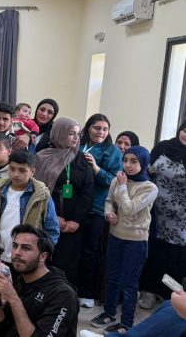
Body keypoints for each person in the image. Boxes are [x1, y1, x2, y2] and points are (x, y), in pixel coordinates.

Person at [89, 146, 158, 333]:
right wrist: (108, 213)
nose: (127, 165)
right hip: (116, 237)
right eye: (125, 160)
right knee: (112, 278)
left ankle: (126, 323)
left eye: (134, 161)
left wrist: (121, 186)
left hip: (136, 242)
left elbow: (129, 208)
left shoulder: (149, 187)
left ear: (143, 163)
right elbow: (109, 201)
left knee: (129, 284)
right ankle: (109, 313)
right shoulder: (118, 180)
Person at [32, 117, 94, 290]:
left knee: (67, 263)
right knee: (44, 259)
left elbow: (87, 193)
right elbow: (35, 190)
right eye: (71, 133)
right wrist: (52, 217)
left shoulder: (82, 160)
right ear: (59, 133)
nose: (76, 138)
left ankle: (64, 298)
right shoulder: (41, 157)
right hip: (45, 220)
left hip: (72, 226)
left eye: (78, 134)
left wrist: (76, 221)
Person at [0, 225, 78, 337]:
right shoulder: (21, 281)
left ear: (43, 256)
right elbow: (0, 331)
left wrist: (14, 299)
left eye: (26, 248)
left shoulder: (62, 295)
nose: (17, 252)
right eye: (15, 246)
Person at [0, 150, 60, 264]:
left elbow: (52, 231)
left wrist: (38, 254)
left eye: (22, 170)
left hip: (26, 261)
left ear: (32, 172)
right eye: (12, 169)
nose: (16, 174)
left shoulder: (42, 195)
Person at [138, 120, 186, 309]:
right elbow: (146, 172)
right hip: (155, 211)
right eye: (185, 130)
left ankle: (169, 295)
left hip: (181, 218)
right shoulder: (163, 147)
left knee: (175, 256)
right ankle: (149, 290)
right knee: (154, 251)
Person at [78, 114, 122, 308]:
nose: (101, 132)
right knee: (73, 249)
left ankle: (86, 292)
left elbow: (114, 181)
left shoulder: (112, 150)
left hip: (96, 207)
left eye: (105, 129)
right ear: (88, 128)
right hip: (75, 205)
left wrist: (96, 168)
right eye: (97, 128)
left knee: (91, 250)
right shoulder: (78, 144)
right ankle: (70, 287)